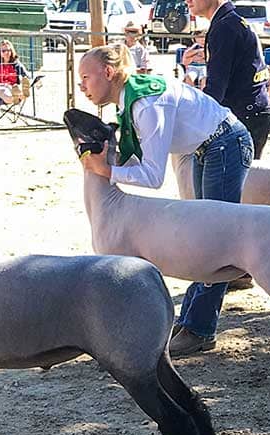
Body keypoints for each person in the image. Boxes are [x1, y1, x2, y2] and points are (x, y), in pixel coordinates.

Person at [77, 44, 253, 358]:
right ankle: (191, 321)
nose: (82, 86)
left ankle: (200, 329)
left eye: (86, 77)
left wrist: (106, 170)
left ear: (107, 72)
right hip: (208, 147)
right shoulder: (130, 100)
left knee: (213, 240)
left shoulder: (145, 105)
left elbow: (152, 176)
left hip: (224, 144)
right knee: (204, 236)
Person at [187, 0, 270, 158]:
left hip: (244, 114)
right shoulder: (229, 22)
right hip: (252, 111)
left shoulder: (224, 26)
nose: (187, 1)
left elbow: (215, 88)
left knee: (227, 179)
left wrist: (193, 118)